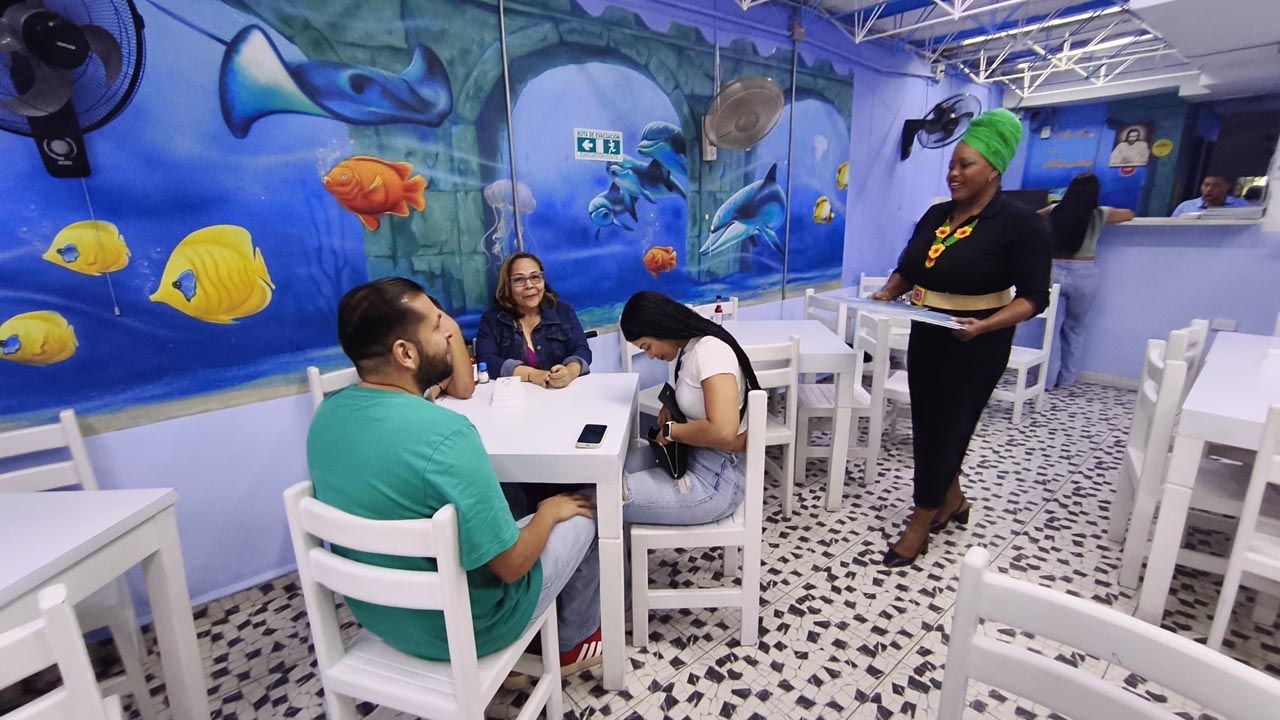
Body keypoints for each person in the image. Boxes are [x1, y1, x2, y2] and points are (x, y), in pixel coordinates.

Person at [306, 277, 604, 675]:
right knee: (587, 510)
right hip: (471, 627)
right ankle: (575, 641)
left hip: (380, 616)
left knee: (511, 508)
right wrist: (549, 511)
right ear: (405, 353)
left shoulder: (325, 419)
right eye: (437, 326)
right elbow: (512, 565)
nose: (450, 334)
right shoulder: (447, 434)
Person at [870, 109, 1051, 567]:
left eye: (965, 165)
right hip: (927, 333)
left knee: (951, 429)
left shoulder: (1022, 224)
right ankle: (952, 500)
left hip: (978, 342)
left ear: (993, 170)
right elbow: (909, 267)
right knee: (928, 425)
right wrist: (889, 291)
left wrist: (986, 325)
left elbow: (1034, 297)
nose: (953, 173)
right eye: (951, 164)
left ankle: (920, 520)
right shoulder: (936, 215)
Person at [618, 291, 761, 525]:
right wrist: (675, 408)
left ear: (660, 327)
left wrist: (671, 431)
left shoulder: (710, 352)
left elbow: (723, 431)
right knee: (606, 476)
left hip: (717, 479)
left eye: (647, 346)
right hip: (692, 457)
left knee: (602, 498)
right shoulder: (691, 349)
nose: (650, 356)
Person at [1037, 174, 1134, 390]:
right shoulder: (1100, 214)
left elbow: (1032, 216)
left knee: (1051, 329)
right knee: (1075, 329)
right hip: (1085, 273)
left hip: (1054, 271)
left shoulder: (1055, 210)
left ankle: (1047, 381)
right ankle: (1067, 380)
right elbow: (1129, 214)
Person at [476, 252, 591, 388]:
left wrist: (569, 372)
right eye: (519, 280)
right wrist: (531, 374)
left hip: (559, 394)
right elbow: (486, 361)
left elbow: (582, 350)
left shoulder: (564, 312)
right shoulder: (492, 320)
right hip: (514, 396)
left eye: (535, 277)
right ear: (508, 285)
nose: (529, 285)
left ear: (543, 280)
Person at [423, 294, 475, 401]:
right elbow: (420, 400)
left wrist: (453, 329)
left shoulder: (440, 359)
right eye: (436, 327)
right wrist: (439, 386)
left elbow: (465, 388)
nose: (445, 335)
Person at [1171, 175, 1248, 216]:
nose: (1209, 190)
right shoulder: (1185, 207)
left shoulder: (1242, 206)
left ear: (1227, 187)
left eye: (1216, 186)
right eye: (1206, 185)